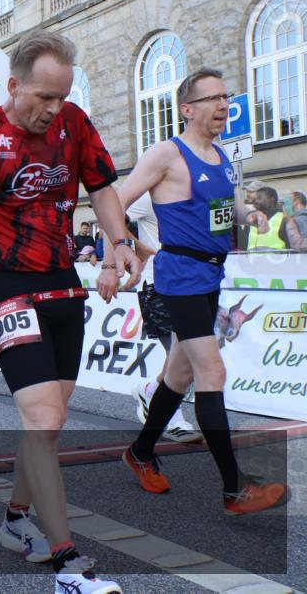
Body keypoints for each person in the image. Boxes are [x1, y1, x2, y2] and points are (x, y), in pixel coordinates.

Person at [0, 29, 139, 593]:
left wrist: (120, 242)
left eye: (62, 96)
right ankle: (69, 565)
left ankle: (15, 519)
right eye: (45, 97)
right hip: (10, 290)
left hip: (63, 288)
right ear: (13, 85)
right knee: (43, 419)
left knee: (47, 422)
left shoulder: (75, 124)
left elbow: (102, 188)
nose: (54, 108)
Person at [117, 67, 287, 515]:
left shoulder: (220, 156)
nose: (223, 105)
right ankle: (235, 489)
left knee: (179, 375)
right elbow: (115, 201)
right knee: (211, 371)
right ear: (187, 109)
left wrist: (248, 215)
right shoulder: (166, 154)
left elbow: (225, 206)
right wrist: (127, 247)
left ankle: (140, 452)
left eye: (225, 97)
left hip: (210, 275)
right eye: (212, 98)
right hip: (181, 276)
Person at [126, 192, 201, 443]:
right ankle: (172, 417)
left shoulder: (195, 191)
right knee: (179, 354)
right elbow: (110, 215)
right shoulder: (149, 195)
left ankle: (151, 391)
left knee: (186, 356)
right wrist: (134, 246)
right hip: (156, 284)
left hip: (190, 283)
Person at [246, 186, 292, 250]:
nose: (255, 201)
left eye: (259, 198)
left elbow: (291, 247)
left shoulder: (283, 218)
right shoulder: (252, 218)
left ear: (271, 200)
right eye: (255, 199)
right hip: (251, 256)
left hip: (277, 256)